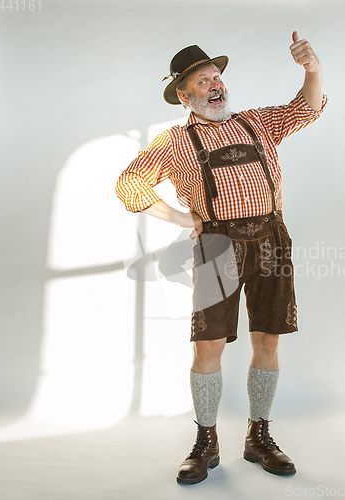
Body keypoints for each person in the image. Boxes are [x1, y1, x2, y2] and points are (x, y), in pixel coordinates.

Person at [115, 31, 327, 485]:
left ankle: (259, 436)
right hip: (216, 246)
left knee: (267, 340)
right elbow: (128, 185)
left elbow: (306, 108)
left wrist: (311, 69)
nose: (215, 85)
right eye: (203, 81)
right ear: (182, 94)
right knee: (208, 345)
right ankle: (206, 441)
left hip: (272, 238)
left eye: (216, 76)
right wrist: (181, 218)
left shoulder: (257, 123)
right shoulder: (174, 142)